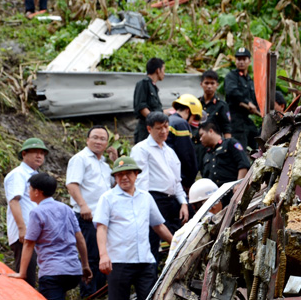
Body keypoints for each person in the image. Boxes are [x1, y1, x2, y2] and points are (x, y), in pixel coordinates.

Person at [95, 156, 173, 300]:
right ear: (115, 177)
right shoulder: (107, 198)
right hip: (119, 261)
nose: (124, 177)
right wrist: (103, 255)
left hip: (145, 261)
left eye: (128, 173)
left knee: (149, 297)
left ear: (136, 174)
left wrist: (176, 244)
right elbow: (102, 228)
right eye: (119, 174)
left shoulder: (145, 197)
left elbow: (159, 226)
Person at [9, 173, 93, 300]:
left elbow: (29, 243)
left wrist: (22, 273)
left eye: (30, 188)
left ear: (37, 192)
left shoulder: (37, 212)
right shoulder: (67, 209)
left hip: (52, 272)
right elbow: (80, 238)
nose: (28, 191)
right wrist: (85, 266)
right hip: (74, 271)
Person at [66, 125, 118, 298]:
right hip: (86, 217)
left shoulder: (104, 165)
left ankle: (99, 294)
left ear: (107, 143)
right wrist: (83, 205)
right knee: (90, 260)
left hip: (103, 219)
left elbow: (114, 188)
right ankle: (88, 295)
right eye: (95, 137)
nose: (98, 141)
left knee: (103, 258)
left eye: (103, 139)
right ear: (87, 140)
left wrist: (115, 161)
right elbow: (72, 184)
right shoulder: (80, 159)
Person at [130, 112, 189, 263]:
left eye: (166, 127)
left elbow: (176, 180)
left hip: (172, 199)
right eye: (159, 128)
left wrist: (183, 202)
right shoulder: (141, 149)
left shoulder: (169, 151)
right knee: (153, 241)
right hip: (153, 198)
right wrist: (143, 205)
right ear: (149, 129)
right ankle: (152, 279)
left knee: (179, 235)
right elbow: (141, 180)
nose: (163, 131)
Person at [4, 137, 49, 287]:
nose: (39, 156)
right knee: (26, 275)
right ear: (24, 154)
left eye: (42, 153)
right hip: (24, 234)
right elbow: (14, 201)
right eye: (35, 152)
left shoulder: (35, 176)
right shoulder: (18, 174)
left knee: (35, 273)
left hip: (36, 232)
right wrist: (22, 228)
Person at [167, 178, 222, 261]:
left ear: (193, 206)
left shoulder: (181, 233)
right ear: (214, 204)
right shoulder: (221, 226)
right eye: (220, 200)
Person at [199, 121, 250, 207]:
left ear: (211, 131)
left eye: (201, 135)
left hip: (232, 193)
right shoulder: (207, 155)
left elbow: (243, 164)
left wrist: (239, 185)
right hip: (216, 198)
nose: (200, 139)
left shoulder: (230, 143)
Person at [224, 47, 260, 150]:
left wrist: (258, 109)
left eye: (244, 59)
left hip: (246, 118)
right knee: (240, 148)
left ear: (249, 61)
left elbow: (254, 98)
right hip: (235, 118)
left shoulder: (249, 80)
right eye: (239, 59)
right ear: (235, 61)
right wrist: (247, 103)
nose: (241, 62)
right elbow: (232, 92)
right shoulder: (231, 76)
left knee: (258, 140)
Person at [195, 70, 232, 169]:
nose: (209, 86)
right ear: (201, 84)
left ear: (217, 85)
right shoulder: (196, 104)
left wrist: (228, 148)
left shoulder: (221, 105)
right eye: (206, 83)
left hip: (214, 147)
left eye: (212, 83)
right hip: (197, 145)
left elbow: (226, 128)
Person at [167, 94, 202, 192]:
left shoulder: (169, 121)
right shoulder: (180, 123)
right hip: (179, 179)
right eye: (194, 117)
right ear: (188, 111)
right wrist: (190, 181)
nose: (192, 122)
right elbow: (186, 154)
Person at [133, 58, 165, 144]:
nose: (164, 73)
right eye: (163, 70)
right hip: (145, 130)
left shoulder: (154, 87)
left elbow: (158, 110)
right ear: (158, 70)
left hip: (153, 130)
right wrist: (154, 120)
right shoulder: (143, 83)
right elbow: (141, 106)